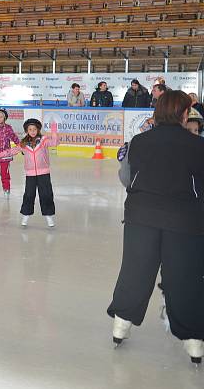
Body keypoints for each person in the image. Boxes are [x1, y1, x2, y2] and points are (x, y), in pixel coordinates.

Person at [108, 90, 204, 364]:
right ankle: (194, 341)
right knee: (185, 276)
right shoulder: (198, 145)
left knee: (136, 270)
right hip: (185, 222)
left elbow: (126, 177)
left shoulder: (139, 141)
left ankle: (121, 325)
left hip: (141, 217)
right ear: (184, 114)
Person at [0, 118, 59, 228]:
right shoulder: (24, 143)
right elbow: (11, 151)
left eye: (34, 129)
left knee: (46, 194)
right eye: (30, 129)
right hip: (30, 174)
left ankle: (49, 216)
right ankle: (26, 215)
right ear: (27, 131)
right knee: (29, 195)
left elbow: (55, 142)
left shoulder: (43, 140)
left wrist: (54, 131)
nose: (32, 131)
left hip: (44, 173)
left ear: (38, 130)